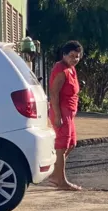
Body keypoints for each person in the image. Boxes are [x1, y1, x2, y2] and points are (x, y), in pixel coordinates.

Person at [47, 41, 84, 190]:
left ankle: (55, 174)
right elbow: (54, 93)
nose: (74, 59)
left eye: (77, 56)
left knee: (72, 144)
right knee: (61, 146)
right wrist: (57, 116)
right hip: (61, 112)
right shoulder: (61, 69)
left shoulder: (71, 69)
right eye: (71, 56)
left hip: (70, 112)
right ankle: (61, 181)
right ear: (64, 55)